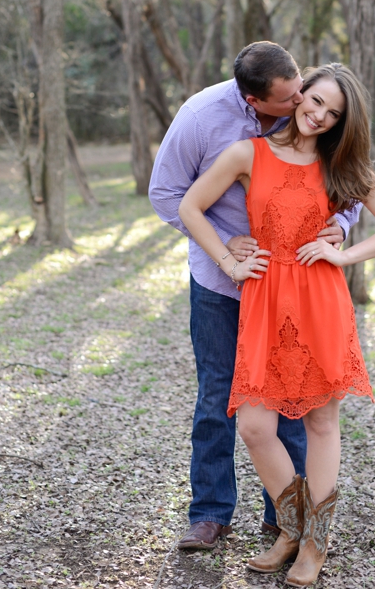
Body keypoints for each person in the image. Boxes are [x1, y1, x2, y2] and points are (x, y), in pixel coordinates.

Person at [178, 63, 375, 585]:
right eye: (316, 102)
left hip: (319, 298)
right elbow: (190, 205)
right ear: (300, 92)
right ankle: (289, 526)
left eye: (333, 114)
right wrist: (228, 261)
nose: (320, 116)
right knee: (255, 425)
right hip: (264, 298)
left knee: (321, 422)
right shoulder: (248, 153)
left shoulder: (340, 164)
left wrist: (342, 257)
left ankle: (313, 543)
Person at [149, 42, 361, 550]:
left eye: (302, 93)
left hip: (294, 289)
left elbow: (348, 189)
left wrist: (339, 228)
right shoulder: (202, 118)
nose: (302, 108)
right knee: (220, 396)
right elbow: (167, 195)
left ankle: (285, 518)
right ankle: (210, 514)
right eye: (288, 101)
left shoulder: (316, 115)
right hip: (223, 281)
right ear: (253, 100)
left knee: (293, 399)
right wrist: (226, 249)